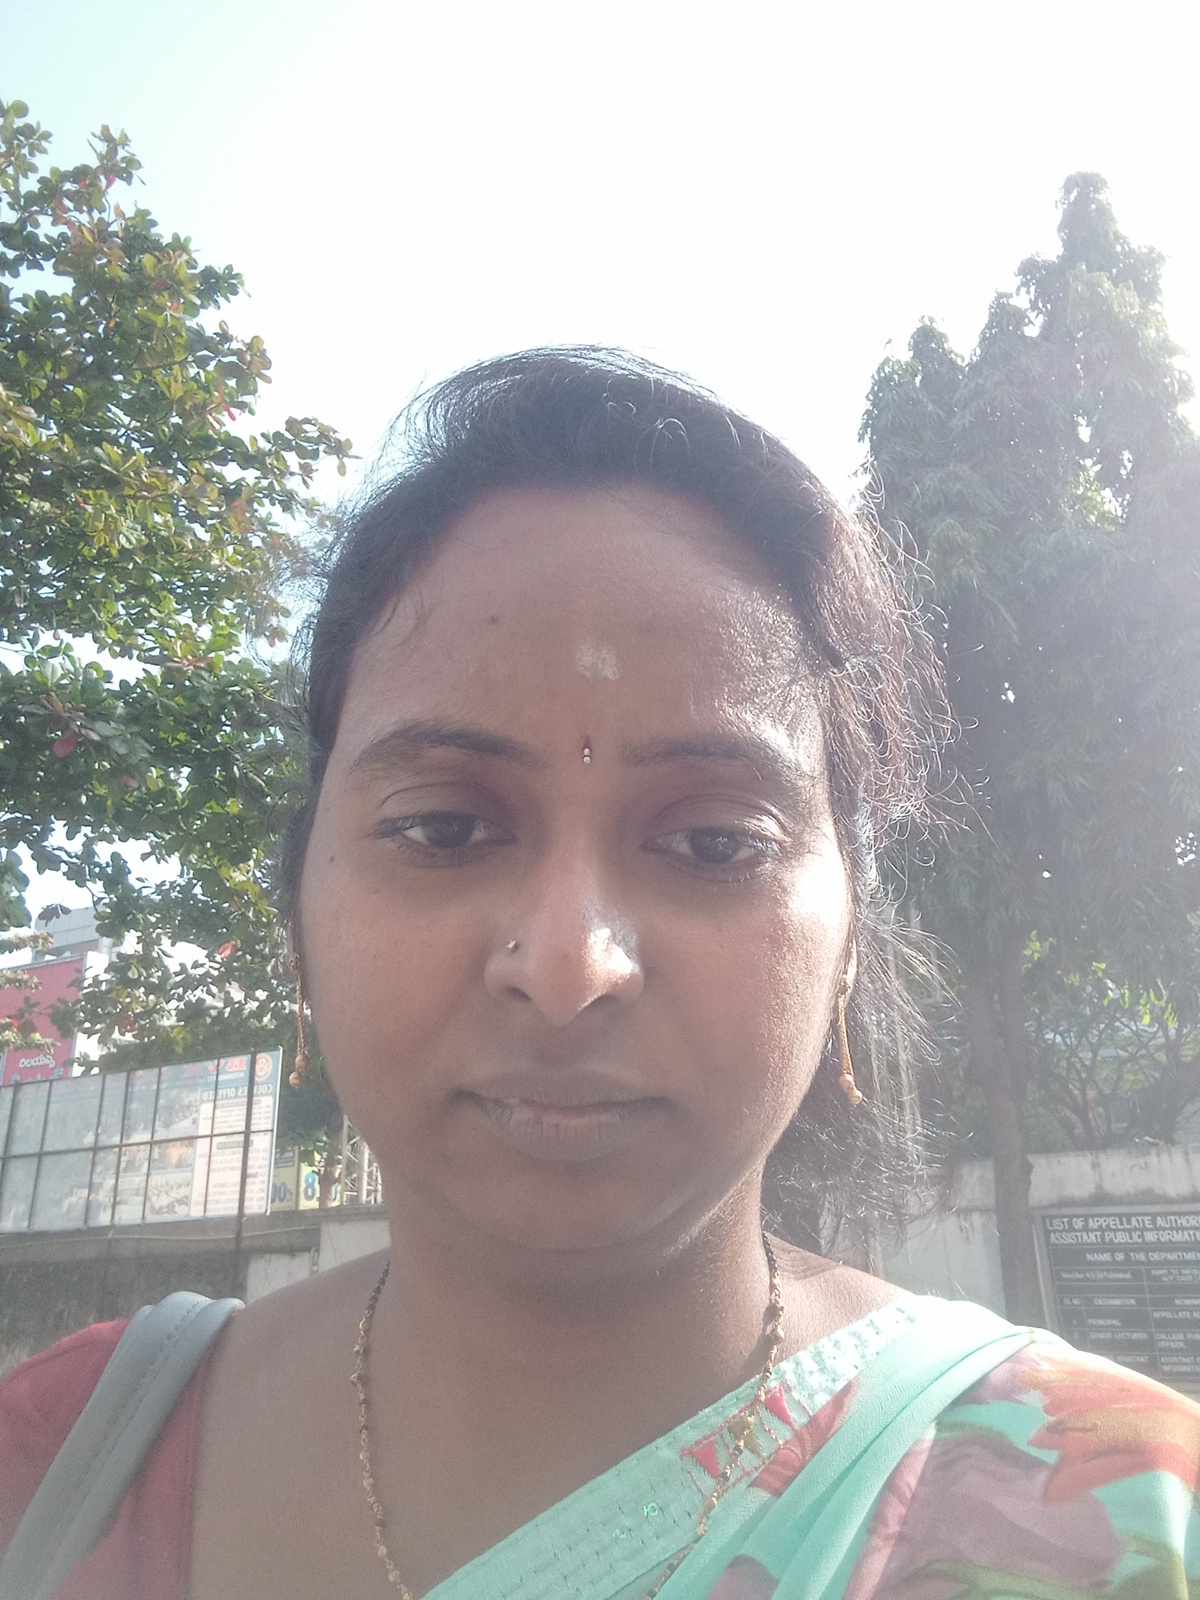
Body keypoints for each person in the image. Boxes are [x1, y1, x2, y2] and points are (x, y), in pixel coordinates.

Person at [2, 347, 1198, 1598]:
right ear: (299, 912)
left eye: (715, 843)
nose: (571, 966)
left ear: (848, 936)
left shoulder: (1127, 1525)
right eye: (445, 827)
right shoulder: (60, 1465)